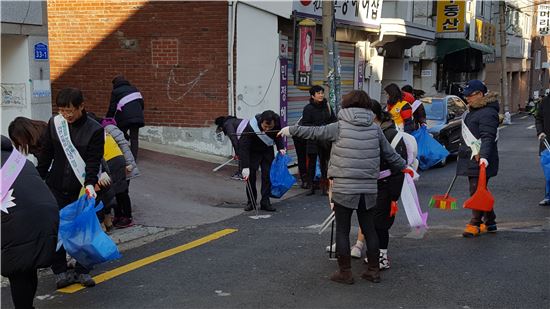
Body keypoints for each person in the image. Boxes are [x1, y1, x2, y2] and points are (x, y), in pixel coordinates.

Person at [278, 90, 409, 285]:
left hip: (344, 187)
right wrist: (406, 168)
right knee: (370, 229)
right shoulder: (375, 129)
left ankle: (345, 273)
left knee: (342, 230)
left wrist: (290, 130)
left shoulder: (338, 127)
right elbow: (391, 156)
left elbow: (314, 132)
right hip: (368, 188)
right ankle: (373, 271)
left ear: (345, 106)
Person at [37, 87, 105, 288]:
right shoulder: (55, 124)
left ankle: (83, 270)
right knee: (55, 229)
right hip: (55, 185)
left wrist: (90, 184)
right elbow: (46, 153)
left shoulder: (94, 130)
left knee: (84, 230)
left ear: (81, 107)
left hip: (80, 188)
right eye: (62, 110)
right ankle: (59, 271)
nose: (66, 115)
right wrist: (38, 178)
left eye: (70, 110)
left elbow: (93, 161)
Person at [1, 135, 59, 309]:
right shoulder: (20, 161)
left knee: (17, 269)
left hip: (19, 221)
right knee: (27, 265)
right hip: (47, 214)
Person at [457, 80, 500, 237]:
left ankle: (475, 223)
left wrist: (484, 157)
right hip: (472, 157)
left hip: (480, 158)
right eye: (466, 95)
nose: (467, 98)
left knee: (476, 190)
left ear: (480, 94)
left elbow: (488, 137)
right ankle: (490, 220)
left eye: (470, 95)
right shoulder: (474, 110)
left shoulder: (488, 113)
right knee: (480, 189)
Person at [239, 110, 286, 212]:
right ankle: (251, 202)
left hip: (267, 151)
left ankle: (265, 201)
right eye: (265, 127)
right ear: (261, 121)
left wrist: (280, 147)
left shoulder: (277, 121)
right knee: (251, 177)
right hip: (252, 152)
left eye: (270, 127)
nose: (267, 129)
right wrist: (245, 166)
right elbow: (244, 147)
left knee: (267, 176)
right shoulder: (251, 127)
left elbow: (278, 135)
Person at [301, 85, 337, 195]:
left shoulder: (327, 106)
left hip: (325, 139)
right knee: (311, 163)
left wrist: (327, 128)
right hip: (312, 138)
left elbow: (333, 120)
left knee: (324, 163)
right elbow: (305, 124)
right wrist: (317, 128)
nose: (321, 95)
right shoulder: (308, 108)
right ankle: (311, 186)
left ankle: (325, 187)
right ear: (312, 96)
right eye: (318, 93)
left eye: (322, 93)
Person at [106, 75, 145, 160]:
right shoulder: (134, 89)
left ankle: (121, 154)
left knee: (119, 132)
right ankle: (133, 158)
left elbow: (112, 108)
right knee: (134, 138)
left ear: (115, 84)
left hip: (124, 117)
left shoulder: (115, 92)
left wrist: (108, 119)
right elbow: (141, 103)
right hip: (137, 116)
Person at [215, 115, 248, 180]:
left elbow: (234, 140)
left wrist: (237, 153)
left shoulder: (227, 124)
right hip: (250, 132)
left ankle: (241, 174)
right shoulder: (232, 120)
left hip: (246, 135)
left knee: (242, 153)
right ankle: (247, 171)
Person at [536, 94, 550, 206]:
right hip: (547, 142)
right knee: (548, 171)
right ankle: (548, 196)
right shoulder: (545, 101)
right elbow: (539, 118)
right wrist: (540, 131)